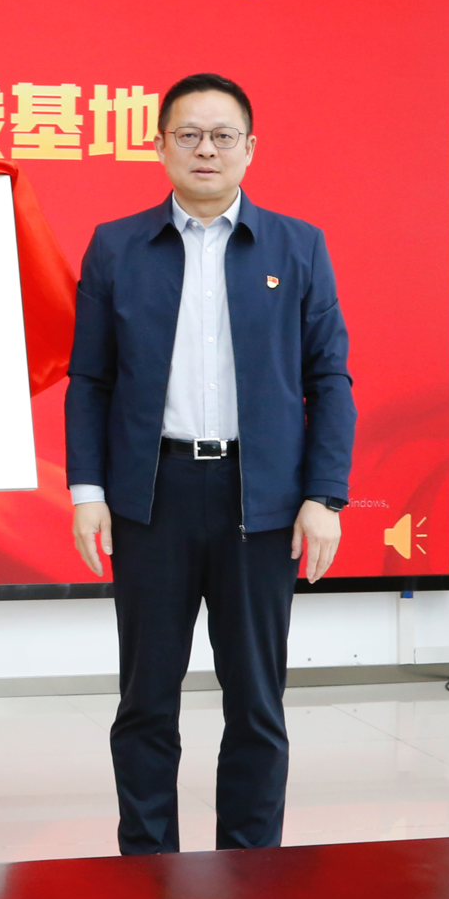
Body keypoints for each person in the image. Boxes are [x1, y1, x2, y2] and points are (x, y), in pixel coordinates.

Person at [65, 72, 354, 855]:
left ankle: (251, 870)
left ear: (250, 148)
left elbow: (329, 377)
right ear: (159, 146)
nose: (206, 150)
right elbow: (90, 380)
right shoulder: (117, 245)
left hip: (258, 500)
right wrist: (88, 489)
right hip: (151, 497)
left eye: (223, 136)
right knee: (146, 699)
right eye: (188, 135)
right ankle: (146, 862)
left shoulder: (296, 246)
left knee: (256, 701)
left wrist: (325, 495)